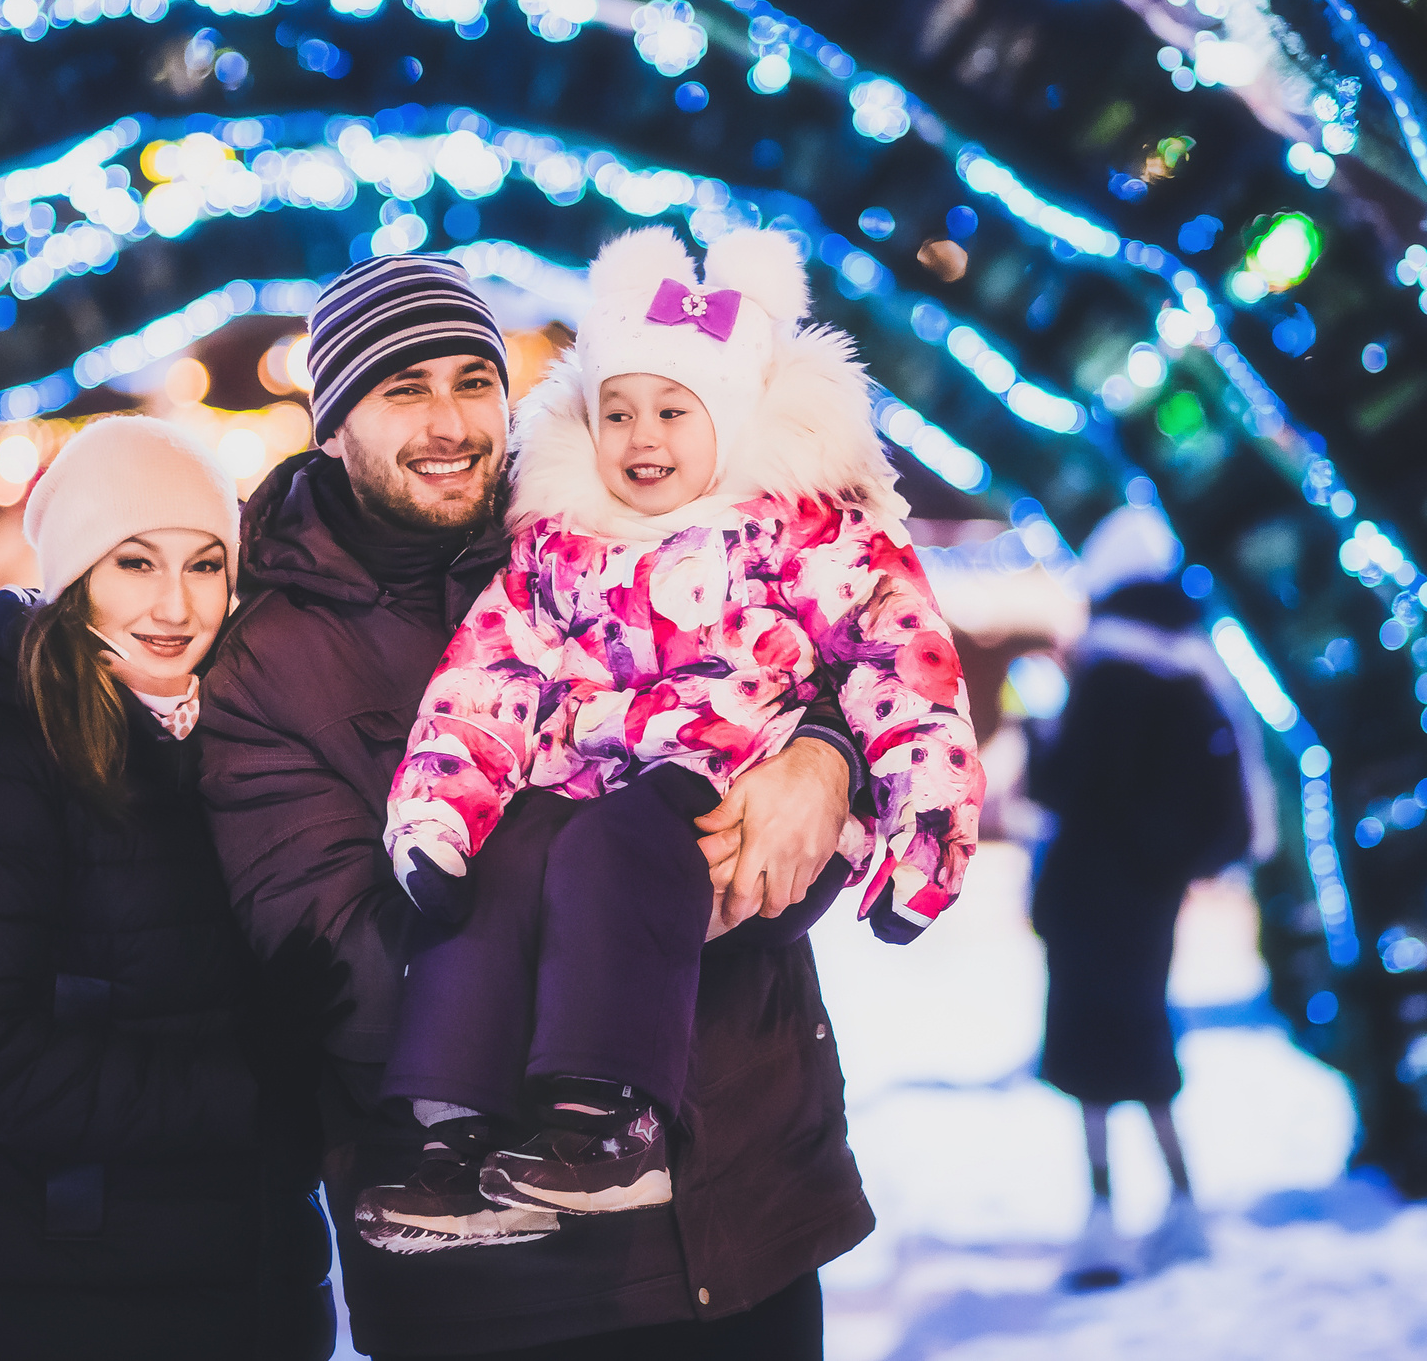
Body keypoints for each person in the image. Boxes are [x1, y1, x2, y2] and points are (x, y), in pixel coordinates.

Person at [199, 248, 888, 1359]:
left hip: (747, 1221)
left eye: (473, 382)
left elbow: (824, 671)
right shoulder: (272, 666)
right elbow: (341, 974)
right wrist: (625, 922)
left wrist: (826, 754)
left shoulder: (618, 532)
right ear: (330, 423)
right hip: (507, 1291)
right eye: (402, 389)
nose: (449, 423)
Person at [356, 226, 986, 1246]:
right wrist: (438, 809)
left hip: (733, 793)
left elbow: (905, 673)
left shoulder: (808, 535)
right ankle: (450, 1133)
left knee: (610, 840)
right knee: (509, 857)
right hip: (594, 805)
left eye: (672, 411)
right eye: (618, 412)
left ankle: (607, 1122)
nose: (642, 437)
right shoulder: (557, 544)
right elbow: (488, 676)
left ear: (731, 419)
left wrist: (925, 837)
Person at [0, 416, 334, 1359]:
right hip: (52, 1295)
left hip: (239, 1289)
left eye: (206, 563)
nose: (176, 603)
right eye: (136, 561)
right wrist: (248, 1086)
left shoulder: (241, 736)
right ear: (76, 574)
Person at [1025, 503, 1274, 1291]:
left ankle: (1106, 1216)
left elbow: (1065, 786)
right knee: (1142, 1042)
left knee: (1091, 1057)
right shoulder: (1194, 672)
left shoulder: (1107, 676)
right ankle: (1181, 1206)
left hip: (1090, 896)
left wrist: (1039, 734)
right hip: (1148, 899)